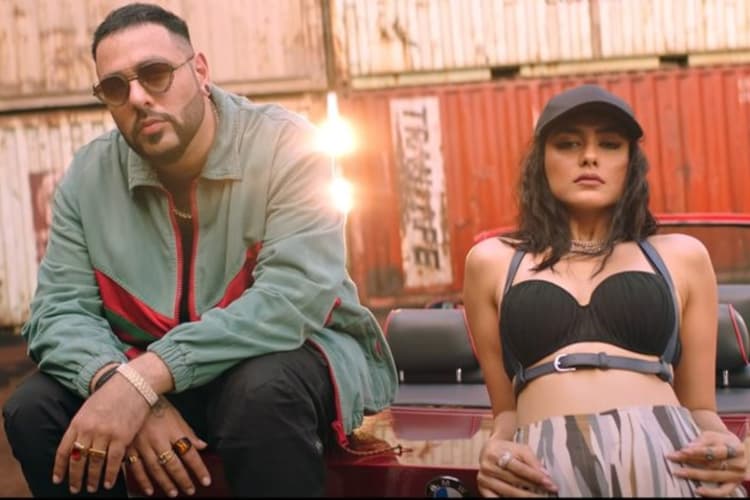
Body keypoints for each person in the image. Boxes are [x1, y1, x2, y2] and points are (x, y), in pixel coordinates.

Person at [2, 2, 397, 497]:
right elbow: (58, 310)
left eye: (155, 73)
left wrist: (142, 380)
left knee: (260, 393)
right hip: (152, 367)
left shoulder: (286, 145)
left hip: (282, 358)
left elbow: (292, 298)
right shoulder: (88, 177)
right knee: (33, 409)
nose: (138, 97)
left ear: (201, 71)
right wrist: (117, 383)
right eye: (116, 88)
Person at [463, 84, 748, 497]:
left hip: (669, 466)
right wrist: (495, 450)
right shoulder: (491, 262)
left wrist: (725, 445)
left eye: (610, 144)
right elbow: (506, 413)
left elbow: (701, 408)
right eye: (568, 143)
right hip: (544, 473)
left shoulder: (681, 256)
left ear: (630, 163)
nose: (589, 157)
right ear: (541, 162)